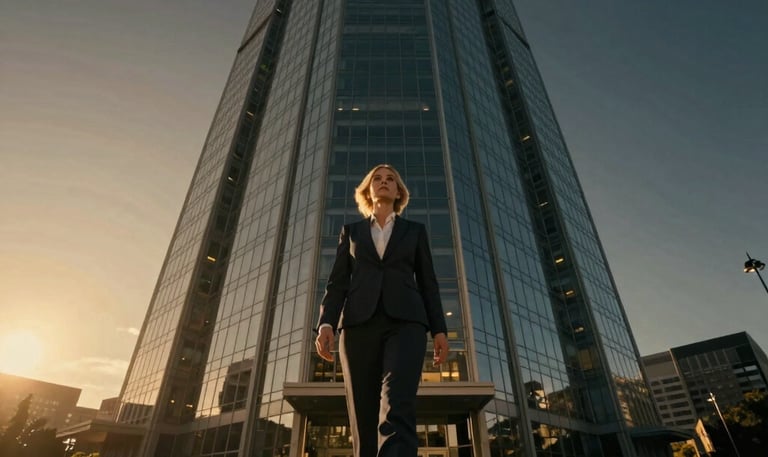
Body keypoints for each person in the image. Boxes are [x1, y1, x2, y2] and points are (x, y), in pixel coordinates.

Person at [315, 164, 449, 457]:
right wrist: (326, 324)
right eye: (377, 179)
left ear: (399, 191)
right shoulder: (351, 232)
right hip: (358, 326)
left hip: (406, 325)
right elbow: (337, 284)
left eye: (391, 179)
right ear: (368, 190)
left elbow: (429, 283)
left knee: (396, 404)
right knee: (363, 417)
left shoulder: (414, 231)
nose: (384, 182)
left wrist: (439, 329)